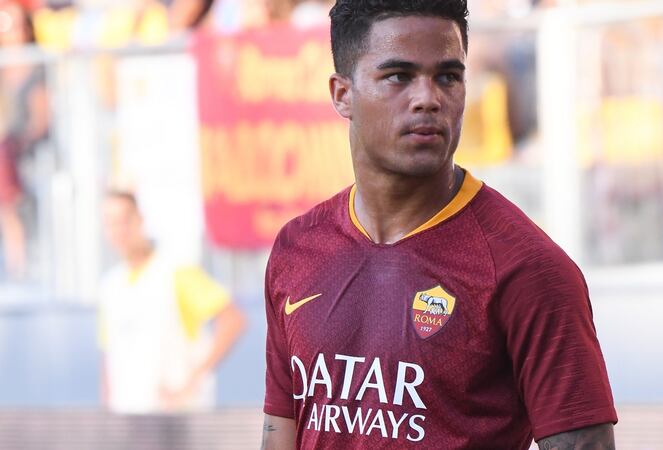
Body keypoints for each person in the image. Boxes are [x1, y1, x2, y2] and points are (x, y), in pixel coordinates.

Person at [262, 1, 617, 449]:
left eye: (448, 77)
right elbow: (280, 432)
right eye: (399, 76)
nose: (428, 98)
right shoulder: (297, 249)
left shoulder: (530, 271)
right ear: (341, 94)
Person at [99, 189, 246, 414]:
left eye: (124, 220)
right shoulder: (111, 285)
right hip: (128, 423)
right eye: (110, 223)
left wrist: (191, 384)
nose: (118, 230)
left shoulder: (175, 271)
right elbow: (110, 356)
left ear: (139, 220)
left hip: (176, 422)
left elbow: (233, 320)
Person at [0, 0, 48, 278]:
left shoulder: (36, 66)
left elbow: (40, 119)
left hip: (24, 151)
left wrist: (16, 143)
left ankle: (18, 266)